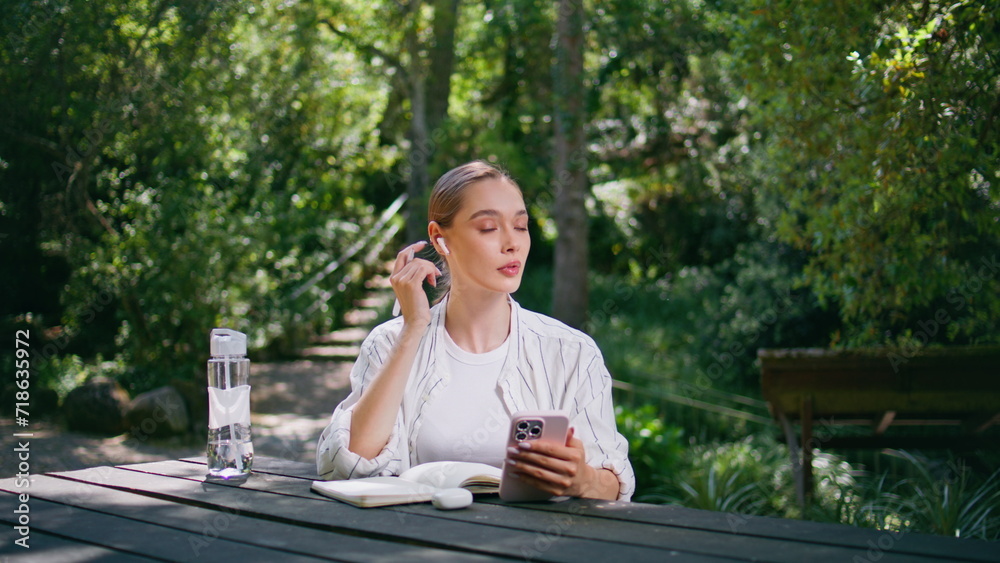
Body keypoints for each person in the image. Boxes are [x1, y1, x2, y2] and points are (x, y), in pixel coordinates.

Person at [316, 161, 635, 501]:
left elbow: (615, 482)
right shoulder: (388, 343)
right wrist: (413, 329)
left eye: (521, 226)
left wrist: (582, 480)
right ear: (440, 239)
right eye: (488, 228)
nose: (512, 243)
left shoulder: (571, 352)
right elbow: (348, 466)